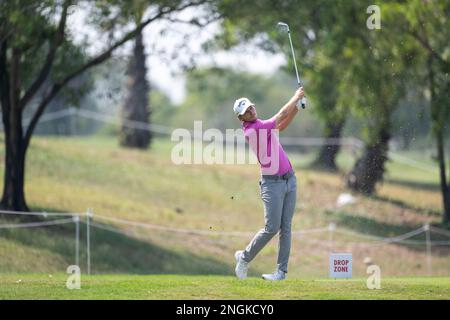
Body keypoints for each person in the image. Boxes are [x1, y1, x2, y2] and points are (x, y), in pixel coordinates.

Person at [232, 87, 305, 281]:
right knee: (272, 227)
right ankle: (244, 258)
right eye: (245, 112)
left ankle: (281, 272)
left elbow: (281, 126)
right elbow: (281, 115)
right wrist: (295, 97)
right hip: (272, 185)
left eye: (250, 107)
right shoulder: (253, 130)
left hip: (289, 179)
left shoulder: (262, 125)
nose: (250, 111)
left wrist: (296, 108)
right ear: (241, 119)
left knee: (286, 227)